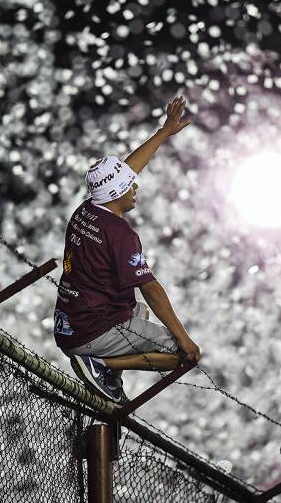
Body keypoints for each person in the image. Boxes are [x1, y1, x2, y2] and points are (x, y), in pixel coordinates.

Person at [53, 95, 202, 403]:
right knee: (181, 354)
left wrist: (164, 131)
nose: (136, 187)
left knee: (139, 311)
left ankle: (103, 371)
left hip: (70, 321)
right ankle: (103, 366)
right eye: (130, 185)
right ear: (117, 192)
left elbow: (128, 169)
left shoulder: (86, 211)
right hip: (90, 332)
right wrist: (185, 338)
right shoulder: (120, 234)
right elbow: (151, 288)